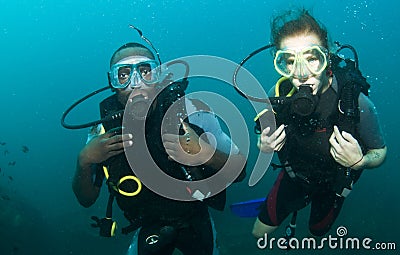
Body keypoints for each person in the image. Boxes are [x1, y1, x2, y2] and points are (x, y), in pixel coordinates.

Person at [72, 41, 246, 255]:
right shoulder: (101, 132)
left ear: (159, 77)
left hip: (194, 217)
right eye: (124, 75)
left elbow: (240, 170)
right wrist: (84, 160)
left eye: (146, 72)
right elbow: (86, 199)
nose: (136, 83)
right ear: (112, 82)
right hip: (147, 223)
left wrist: (206, 154)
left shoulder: (193, 113)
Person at [252, 9, 387, 238]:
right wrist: (263, 145)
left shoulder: (356, 102)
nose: (302, 73)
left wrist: (360, 161)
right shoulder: (278, 95)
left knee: (317, 232)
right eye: (291, 62)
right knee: (258, 234)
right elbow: (263, 136)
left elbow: (380, 152)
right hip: (295, 177)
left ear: (327, 56)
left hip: (333, 185)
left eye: (312, 58)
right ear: (281, 64)